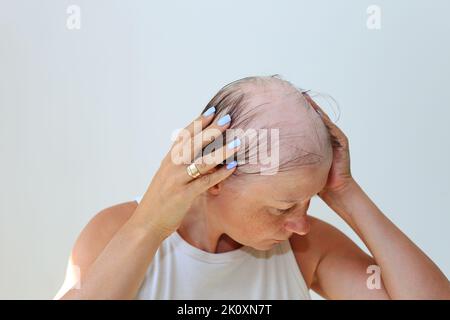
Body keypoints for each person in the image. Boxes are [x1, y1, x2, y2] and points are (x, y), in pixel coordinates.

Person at [55, 76, 450, 299]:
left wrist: (348, 194)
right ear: (215, 180)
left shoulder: (302, 250)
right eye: (281, 208)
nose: (301, 224)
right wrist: (148, 228)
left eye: (308, 201)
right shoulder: (115, 234)